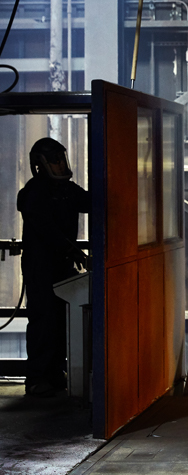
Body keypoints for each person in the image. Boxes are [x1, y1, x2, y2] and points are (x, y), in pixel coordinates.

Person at [17, 138, 90, 397]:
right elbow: (46, 230)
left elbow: (92, 202)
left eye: (62, 158)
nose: (61, 164)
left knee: (60, 320)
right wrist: (74, 251)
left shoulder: (67, 190)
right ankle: (38, 378)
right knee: (43, 320)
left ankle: (56, 374)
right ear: (41, 165)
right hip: (41, 266)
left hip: (61, 264)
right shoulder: (35, 192)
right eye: (55, 160)